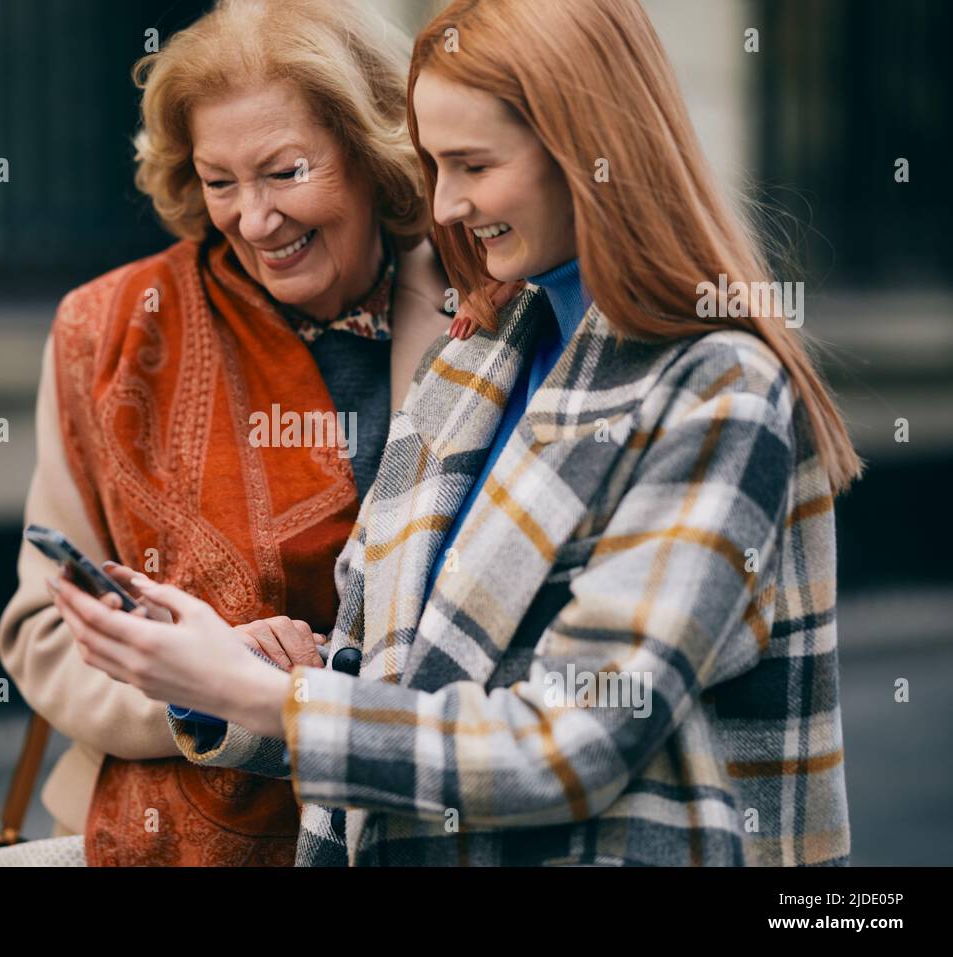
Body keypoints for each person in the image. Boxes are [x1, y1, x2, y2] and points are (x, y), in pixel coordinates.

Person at [48, 0, 862, 866]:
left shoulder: (716, 389)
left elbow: (570, 744)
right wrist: (228, 671)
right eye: (435, 163)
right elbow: (399, 688)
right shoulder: (474, 359)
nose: (443, 202)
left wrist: (259, 695)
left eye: (473, 163)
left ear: (590, 150)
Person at [0, 0, 450, 865]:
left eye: (284, 172)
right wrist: (197, 689)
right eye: (219, 180)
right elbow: (43, 627)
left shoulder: (481, 305)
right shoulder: (111, 329)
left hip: (420, 824)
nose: (254, 218)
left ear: (371, 152)